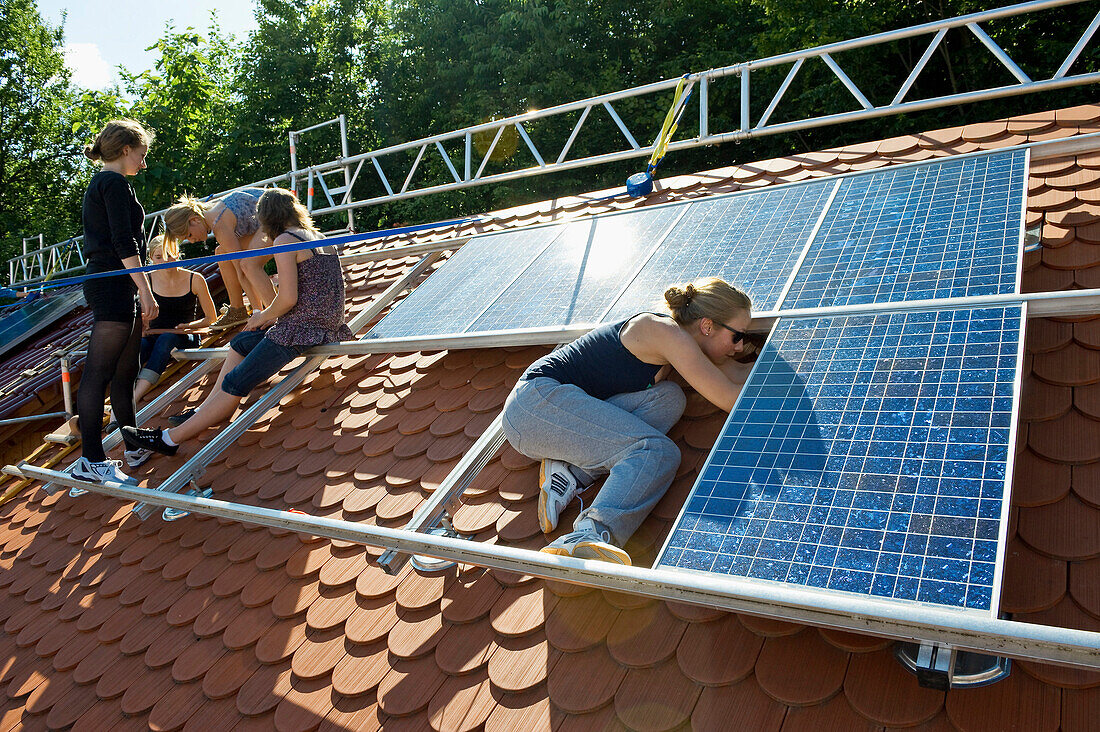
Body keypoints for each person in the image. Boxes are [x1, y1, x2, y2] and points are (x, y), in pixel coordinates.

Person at [501, 277, 753, 565]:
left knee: (669, 397)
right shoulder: (664, 332)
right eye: (737, 336)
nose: (740, 346)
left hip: (554, 409)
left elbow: (740, 374)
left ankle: (570, 471)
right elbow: (731, 398)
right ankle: (589, 534)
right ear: (707, 326)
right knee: (656, 451)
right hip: (534, 406)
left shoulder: (679, 342)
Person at [122, 187, 353, 458]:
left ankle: (169, 440)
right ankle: (212, 409)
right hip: (321, 323)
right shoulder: (319, 236)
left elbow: (288, 298)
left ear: (266, 218)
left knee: (235, 381)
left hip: (301, 330)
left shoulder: (285, 240)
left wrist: (262, 315)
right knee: (240, 343)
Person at [71, 119, 158, 485]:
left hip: (116, 282)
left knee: (124, 371)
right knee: (99, 374)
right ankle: (90, 459)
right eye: (142, 154)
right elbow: (126, 243)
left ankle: (133, 443)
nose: (144, 162)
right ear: (126, 150)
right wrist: (146, 289)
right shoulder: (114, 183)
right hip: (112, 282)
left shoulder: (104, 182)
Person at [162, 187, 275, 330]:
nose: (191, 241)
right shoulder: (212, 211)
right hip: (269, 219)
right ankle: (237, 309)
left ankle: (276, 313)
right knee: (222, 253)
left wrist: (257, 313)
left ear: (194, 220)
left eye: (188, 235)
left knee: (247, 265)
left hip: (280, 219)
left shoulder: (219, 224)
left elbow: (242, 271)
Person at [132, 235, 218, 403]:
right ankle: (122, 395)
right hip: (155, 336)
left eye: (170, 254)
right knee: (138, 346)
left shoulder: (195, 278)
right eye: (159, 257)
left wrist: (188, 326)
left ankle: (134, 398)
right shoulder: (146, 281)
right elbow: (140, 319)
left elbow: (211, 318)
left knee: (166, 339)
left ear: (178, 254)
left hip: (185, 336)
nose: (166, 260)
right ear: (151, 258)